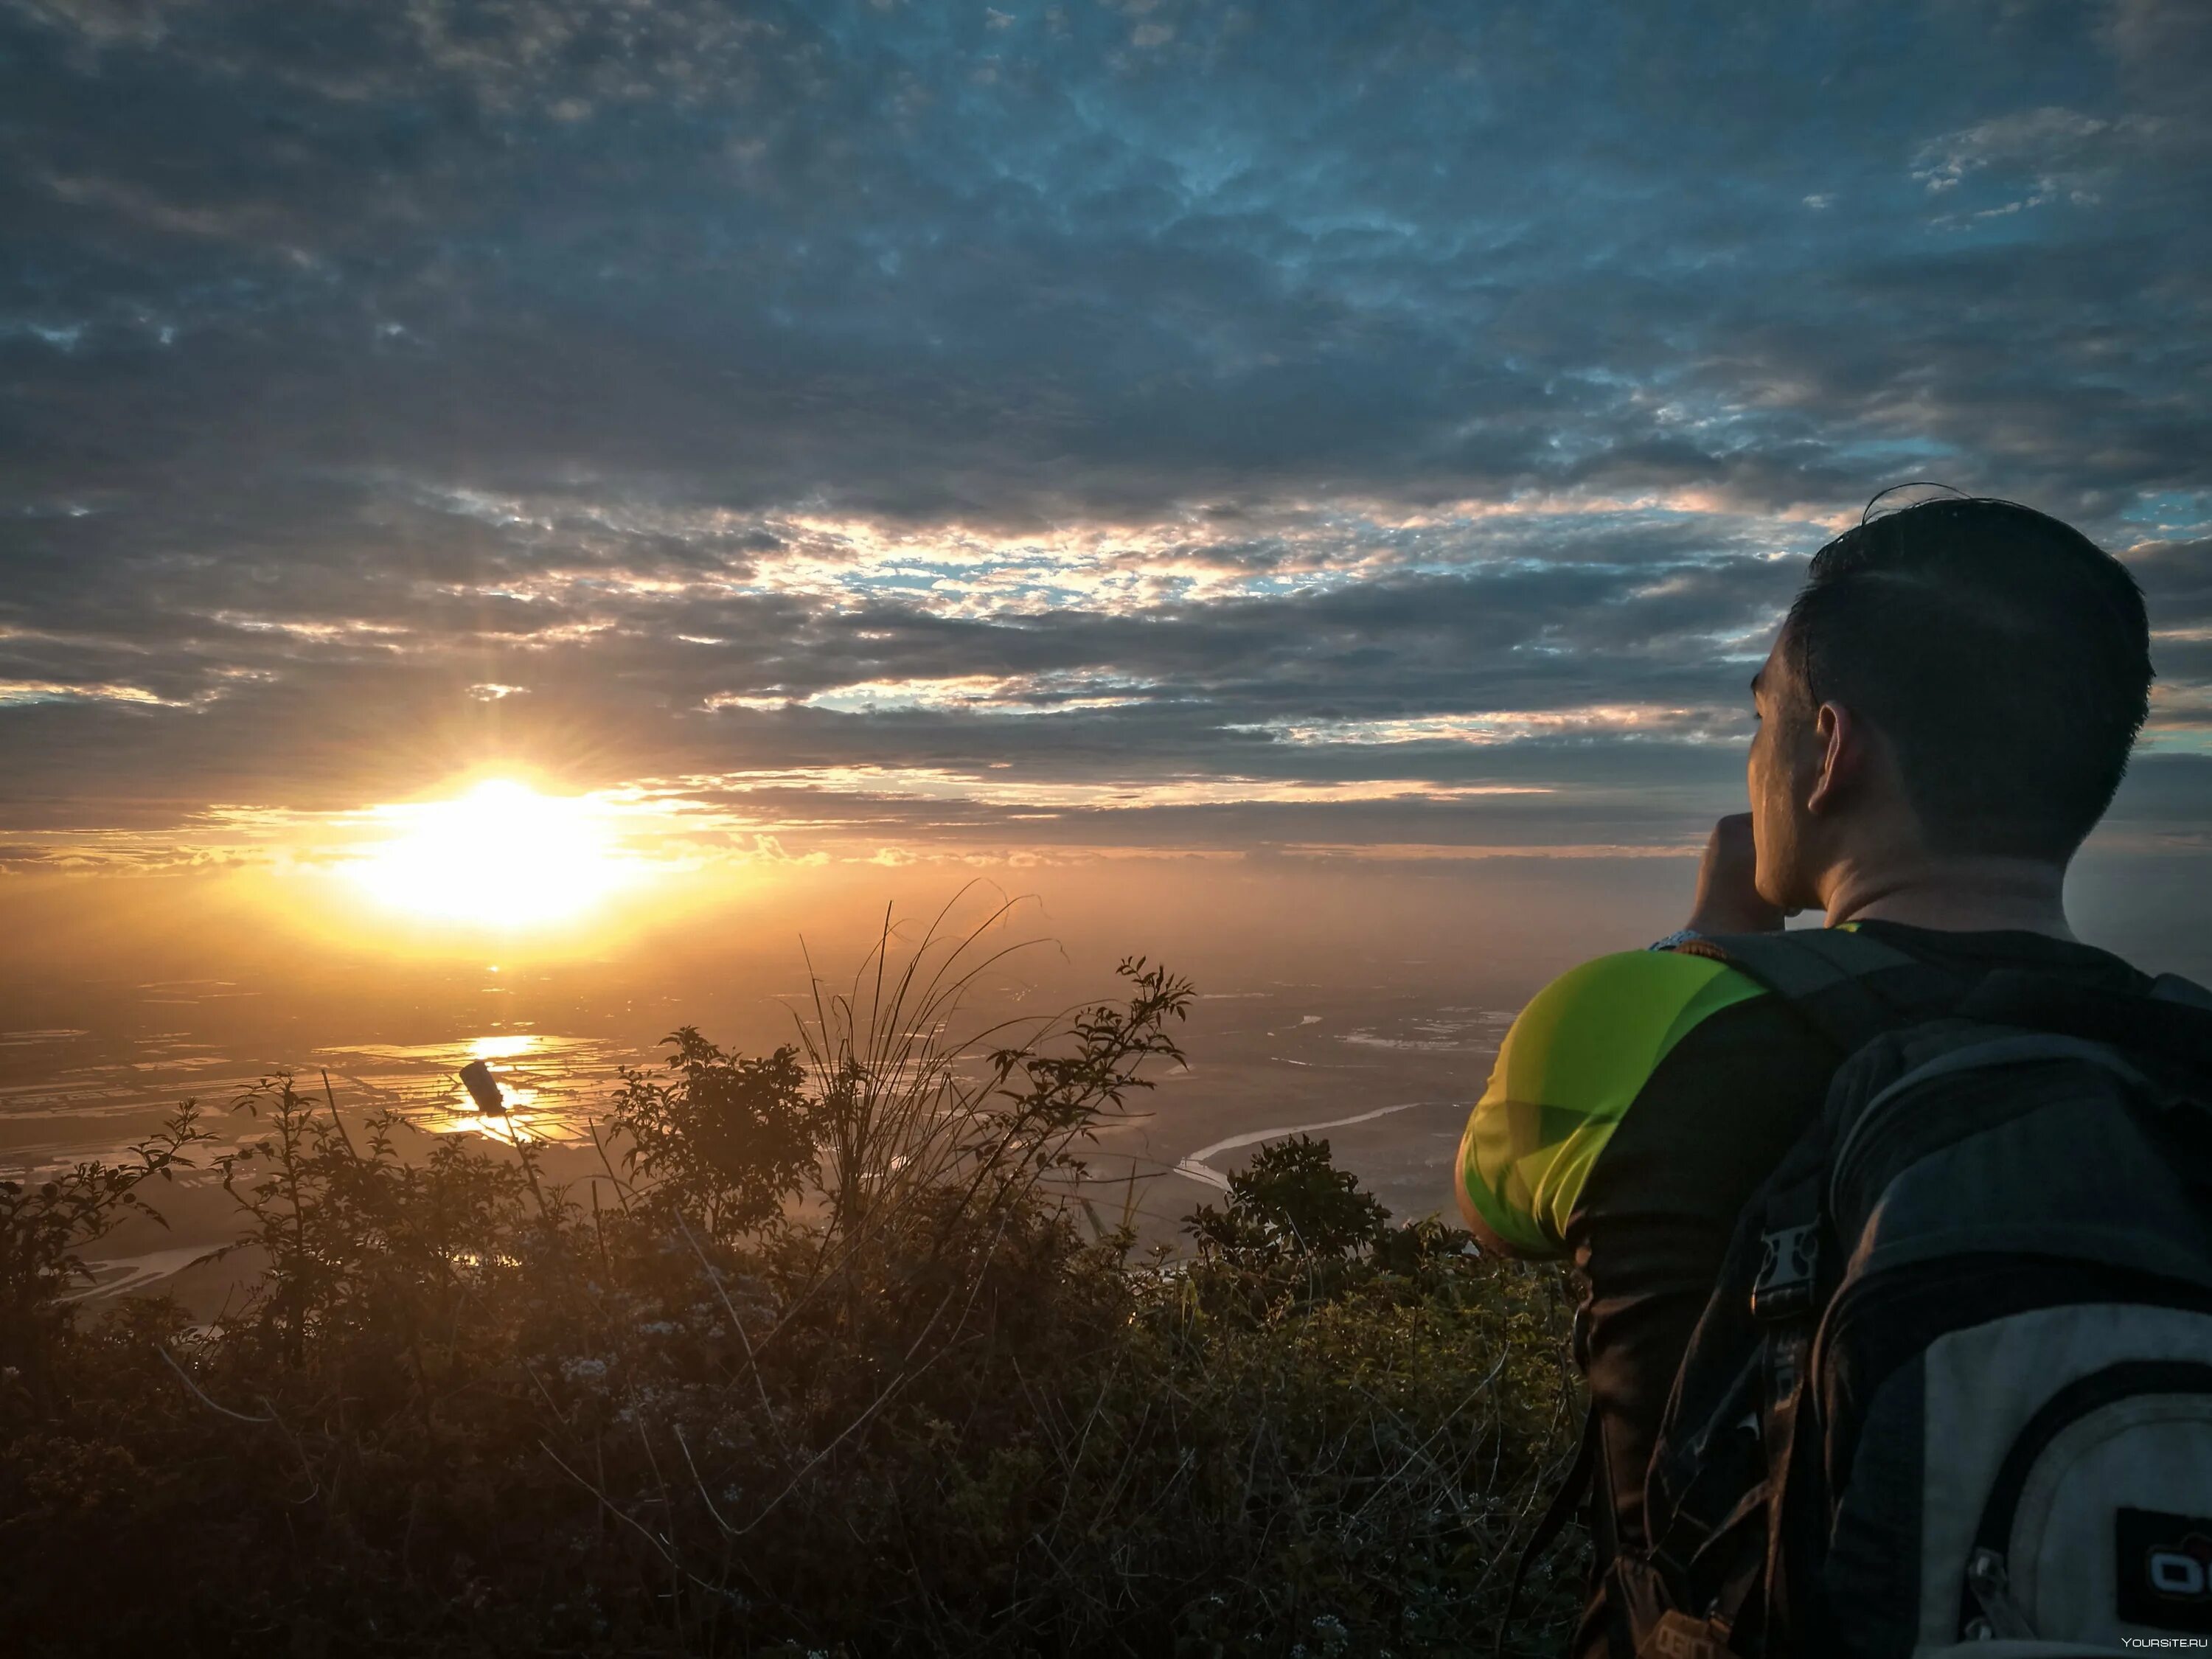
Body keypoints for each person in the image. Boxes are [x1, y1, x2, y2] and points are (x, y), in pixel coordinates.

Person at [1452, 492, 2161, 1658]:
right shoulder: (2181, 1062)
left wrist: (1706, 945)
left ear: (1830, 750)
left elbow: (1491, 1217)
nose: (1754, 757)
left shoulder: (1634, 1021)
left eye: (1764, 719)